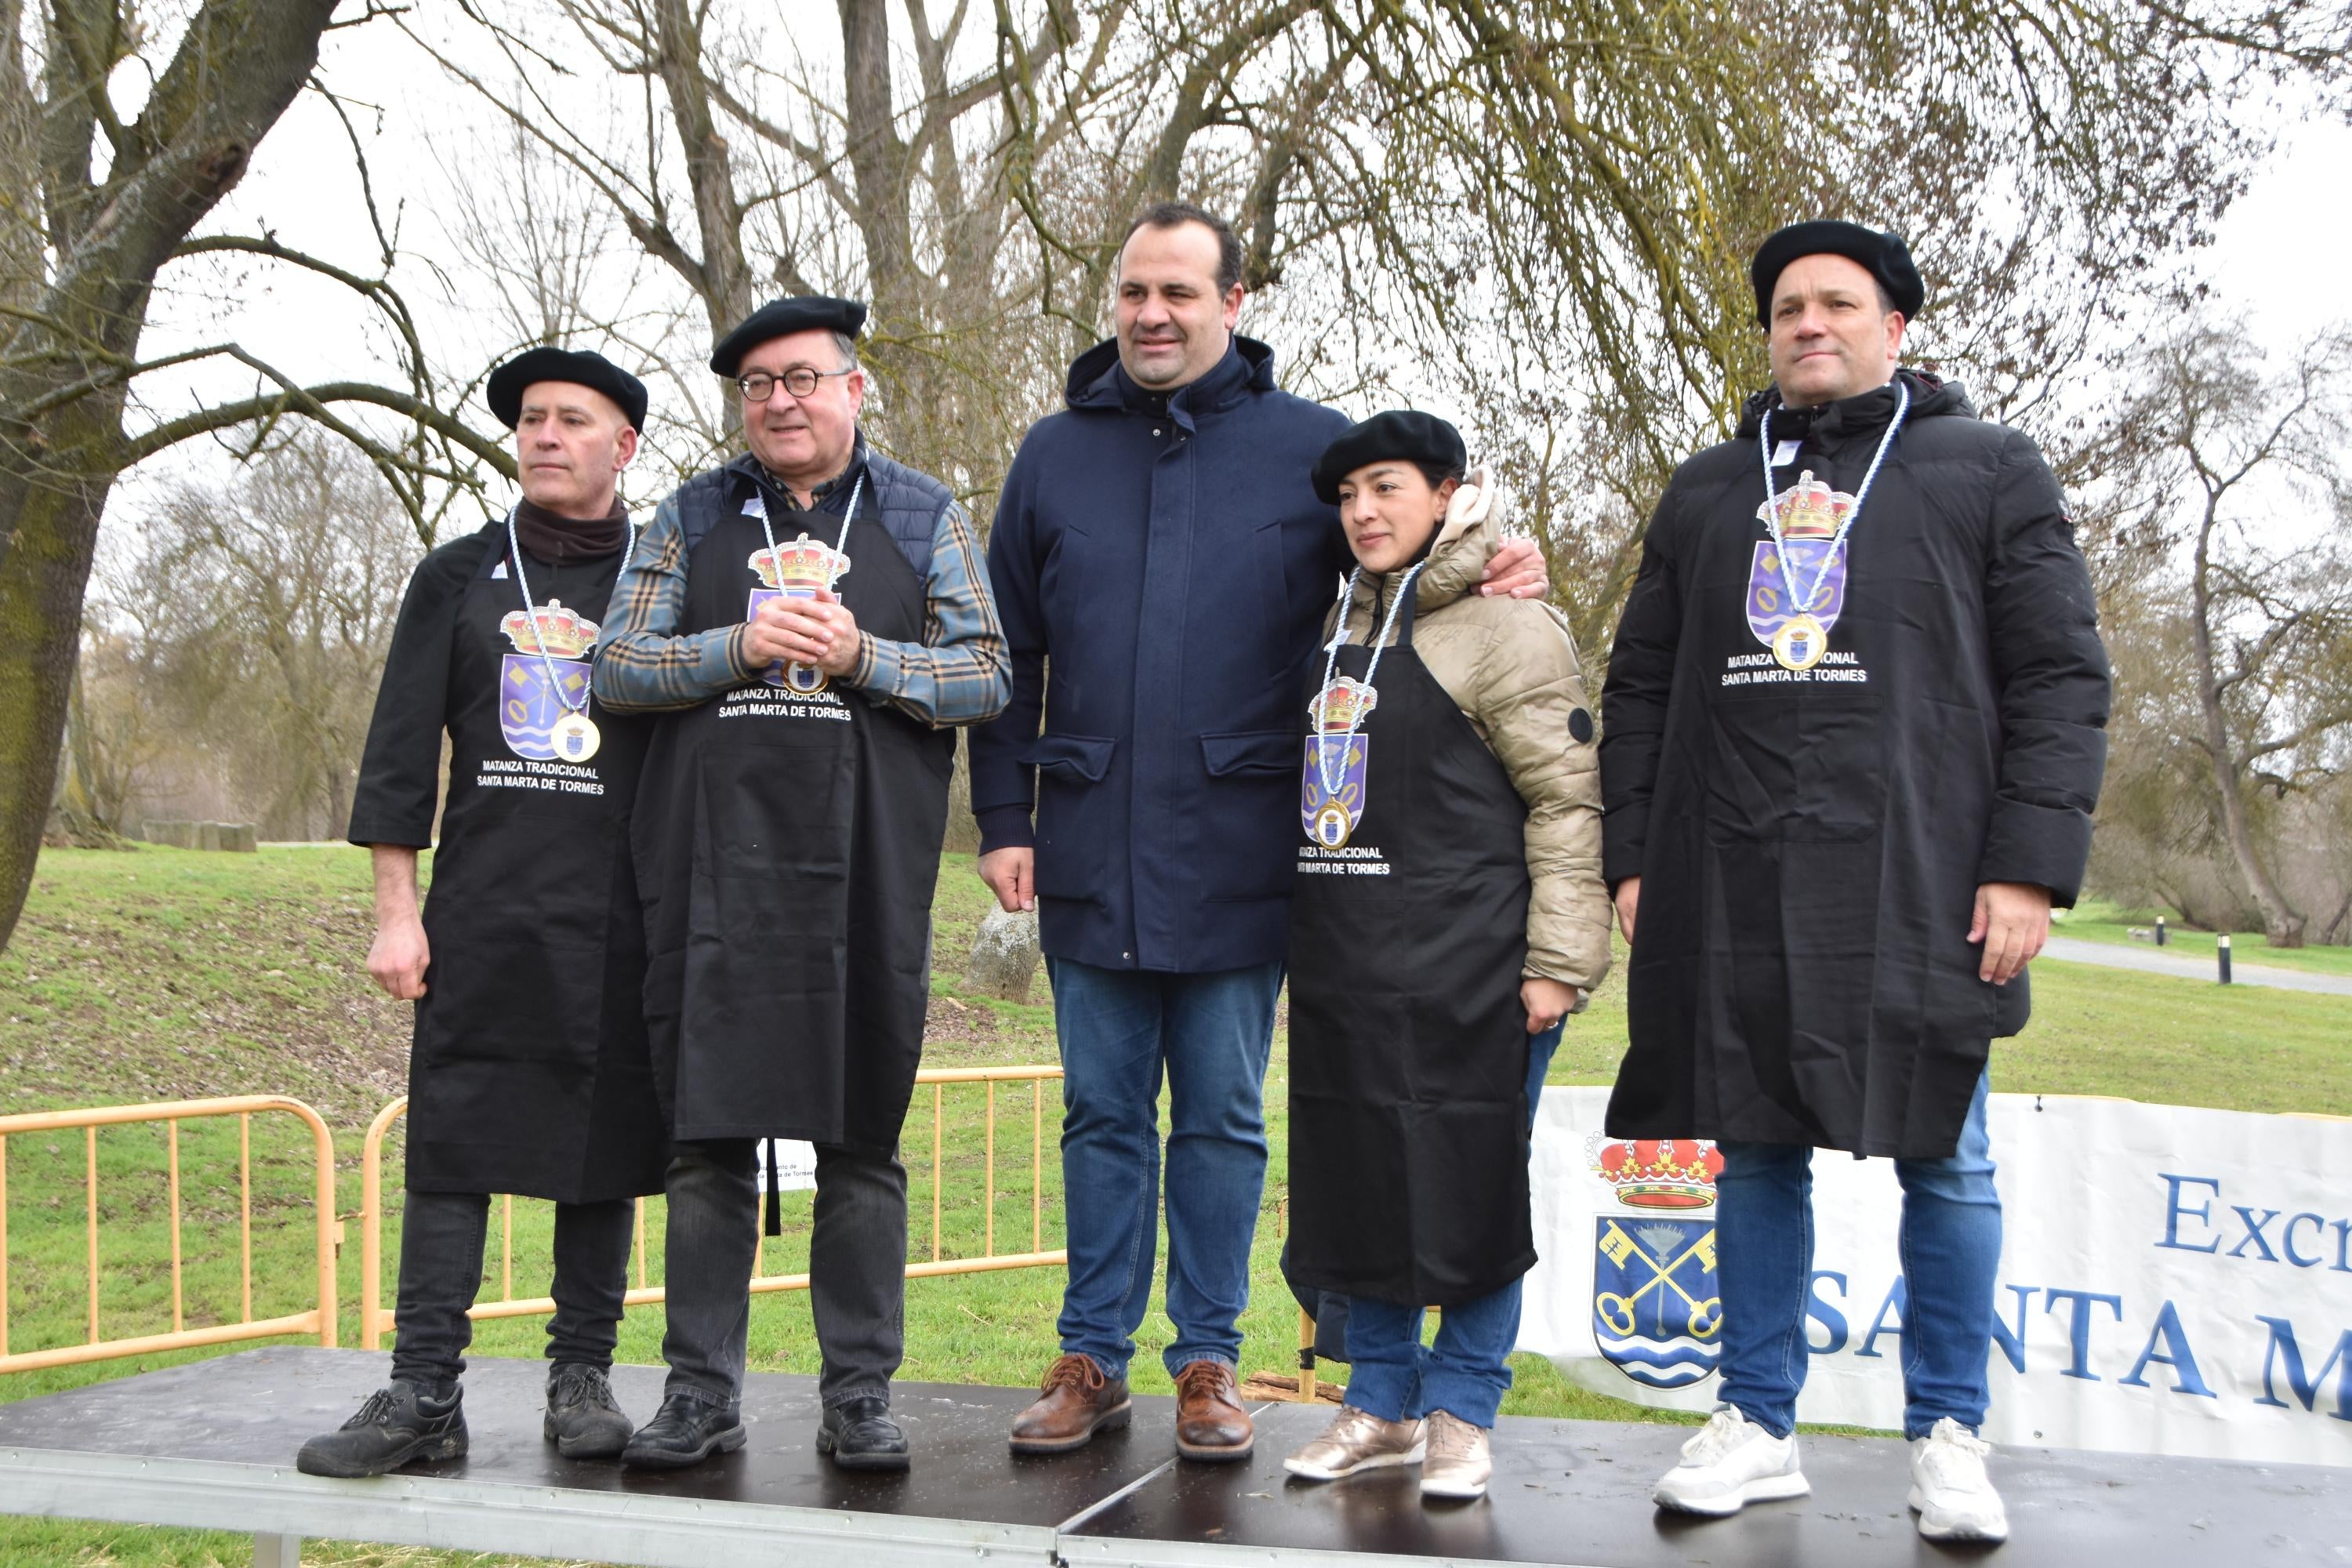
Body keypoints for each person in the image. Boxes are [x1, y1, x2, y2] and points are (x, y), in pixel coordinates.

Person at [969, 202, 1548, 1464]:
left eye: (1179, 292)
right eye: (1133, 292)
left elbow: (1403, 574)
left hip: (1249, 848)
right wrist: (1004, 814)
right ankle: (1090, 1357)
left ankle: (1210, 1362)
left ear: (1237, 302)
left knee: (1224, 1118)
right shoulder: (1052, 454)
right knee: (1100, 1116)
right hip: (1083, 843)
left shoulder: (1310, 450)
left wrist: (1495, 563)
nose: (1152, 315)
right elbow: (1007, 653)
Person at [1601, 221, 2111, 1542]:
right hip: (1735, 870)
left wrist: (2029, 870)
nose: (1808, 324)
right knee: (1753, 1147)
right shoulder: (1710, 489)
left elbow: (2060, 676)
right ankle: (1758, 1423)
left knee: (1946, 1158)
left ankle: (1949, 1434)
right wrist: (1637, 853)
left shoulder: (1984, 468)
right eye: (1786, 309)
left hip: (1925, 878)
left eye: (1837, 304)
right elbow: (1644, 686)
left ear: (1897, 329)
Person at [591, 295, 1009, 1472]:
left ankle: (861, 1397)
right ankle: (698, 1392)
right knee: (704, 1144)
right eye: (759, 385)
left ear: (853, 387)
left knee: (864, 1142)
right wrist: (744, 645)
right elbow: (616, 667)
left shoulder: (926, 513)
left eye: (803, 378)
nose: (780, 401)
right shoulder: (689, 514)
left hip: (864, 871)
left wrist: (859, 656)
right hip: (713, 870)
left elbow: (987, 676)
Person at [299, 347, 670, 1478]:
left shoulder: (667, 581)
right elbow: (400, 756)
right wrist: (394, 913)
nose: (546, 436)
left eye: (574, 419)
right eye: (532, 421)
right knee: (451, 1150)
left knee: (604, 1150)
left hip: (623, 920)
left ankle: (583, 1378)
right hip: (485, 914)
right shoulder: (456, 574)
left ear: (626, 445)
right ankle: (423, 1393)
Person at [1277, 413, 1610, 1501]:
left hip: (1480, 974)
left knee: (1472, 1189)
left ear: (1448, 495)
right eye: (1349, 497)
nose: (1365, 513)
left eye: (1387, 489)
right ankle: (1379, 1402)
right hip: (1349, 967)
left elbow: (1567, 804)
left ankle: (1464, 1407)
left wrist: (1559, 963)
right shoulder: (1336, 622)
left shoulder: (1512, 630)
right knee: (1363, 1178)